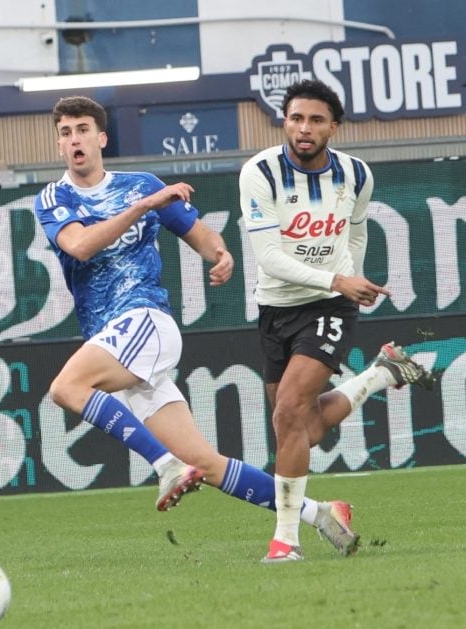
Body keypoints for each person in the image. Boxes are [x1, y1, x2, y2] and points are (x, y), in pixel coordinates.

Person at [33, 95, 360, 557]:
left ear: (101, 138)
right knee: (204, 462)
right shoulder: (55, 197)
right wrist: (146, 205)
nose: (74, 140)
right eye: (65, 133)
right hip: (117, 342)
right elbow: (82, 246)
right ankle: (320, 512)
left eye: (82, 130)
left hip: (145, 322)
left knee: (66, 387)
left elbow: (200, 233)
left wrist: (220, 253)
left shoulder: (140, 185)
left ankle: (165, 466)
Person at [239, 79, 434, 563]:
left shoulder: (356, 175)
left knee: (287, 412)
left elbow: (359, 227)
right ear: (285, 121)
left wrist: (350, 279)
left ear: (334, 127)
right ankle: (379, 373)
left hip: (329, 306)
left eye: (316, 120)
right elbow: (269, 257)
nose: (304, 129)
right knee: (301, 428)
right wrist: (339, 278)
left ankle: (285, 542)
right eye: (296, 118)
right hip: (275, 307)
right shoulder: (259, 172)